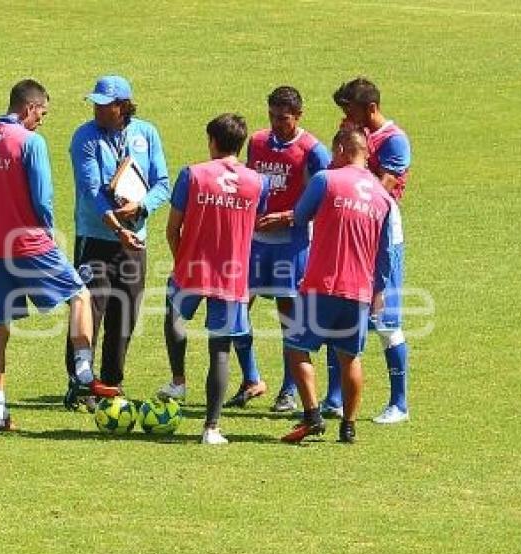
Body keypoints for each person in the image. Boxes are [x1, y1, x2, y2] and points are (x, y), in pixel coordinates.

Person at [0, 79, 120, 431]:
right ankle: (83, 372)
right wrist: (44, 231)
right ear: (29, 108)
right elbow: (42, 200)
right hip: (29, 242)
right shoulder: (31, 142)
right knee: (80, 296)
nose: (41, 120)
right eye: (41, 113)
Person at [219, 86, 331, 413]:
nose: (276, 123)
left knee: (289, 319)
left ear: (299, 116)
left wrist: (290, 217)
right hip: (254, 242)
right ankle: (251, 378)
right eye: (271, 116)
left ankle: (288, 390)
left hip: (292, 245)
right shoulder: (256, 142)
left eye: (283, 118)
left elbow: (324, 197)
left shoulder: (313, 152)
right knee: (236, 307)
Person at [280, 126, 394, 444]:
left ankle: (313, 415)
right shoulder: (383, 196)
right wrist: (378, 291)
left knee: (296, 348)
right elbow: (385, 253)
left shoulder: (326, 180)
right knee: (350, 357)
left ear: (343, 148)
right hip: (359, 290)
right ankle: (349, 426)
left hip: (322, 283)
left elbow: (301, 216)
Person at [63, 75, 170, 410]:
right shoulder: (85, 136)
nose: (97, 108)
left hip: (134, 240)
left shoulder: (146, 133)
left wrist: (142, 206)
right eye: (95, 102)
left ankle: (110, 383)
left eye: (104, 104)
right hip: (95, 237)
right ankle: (81, 382)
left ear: (122, 106)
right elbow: (92, 189)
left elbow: (162, 183)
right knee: (89, 309)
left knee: (125, 313)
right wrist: (116, 226)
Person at [162, 113, 269, 444]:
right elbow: (257, 222)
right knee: (220, 350)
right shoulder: (258, 182)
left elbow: (172, 229)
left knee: (173, 314)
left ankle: (178, 380)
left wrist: (181, 260)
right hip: (232, 276)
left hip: (192, 268)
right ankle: (211, 428)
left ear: (212, 141)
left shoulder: (191, 175)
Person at [322, 77, 412, 425]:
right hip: (348, 234)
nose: (346, 116)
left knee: (385, 320)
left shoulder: (395, 141)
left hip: (382, 238)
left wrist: (352, 155)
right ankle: (333, 398)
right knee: (338, 312)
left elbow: (377, 190)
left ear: (371, 108)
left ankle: (399, 403)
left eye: (351, 110)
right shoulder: (350, 136)